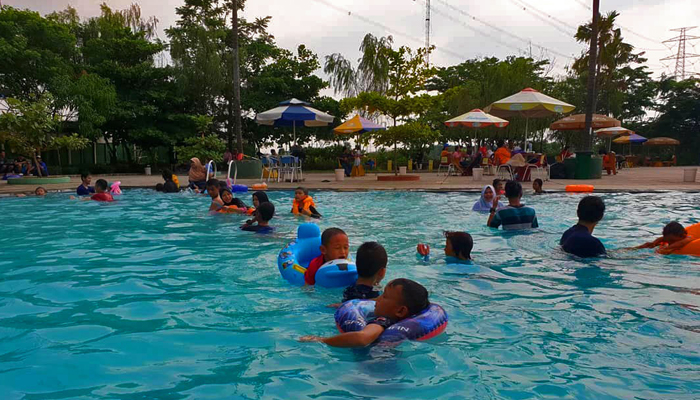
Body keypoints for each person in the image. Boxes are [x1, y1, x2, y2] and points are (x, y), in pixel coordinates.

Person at [299, 278, 430, 348]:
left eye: (384, 296)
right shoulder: (404, 323)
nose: (378, 299)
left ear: (400, 311)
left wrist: (321, 340)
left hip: (371, 370)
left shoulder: (382, 321)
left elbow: (361, 338)